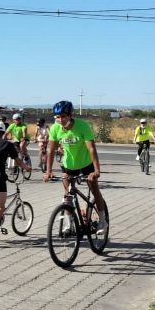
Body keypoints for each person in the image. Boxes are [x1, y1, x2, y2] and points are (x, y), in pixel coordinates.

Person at [43, 100, 108, 235]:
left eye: (63, 116)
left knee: (94, 189)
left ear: (70, 115)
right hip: (68, 166)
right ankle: (69, 223)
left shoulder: (82, 126)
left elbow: (91, 149)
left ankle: (102, 220)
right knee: (68, 195)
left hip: (85, 163)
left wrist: (96, 170)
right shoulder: (55, 128)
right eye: (57, 117)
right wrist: (48, 171)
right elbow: (51, 150)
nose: (60, 119)